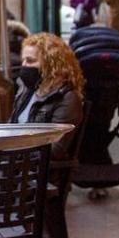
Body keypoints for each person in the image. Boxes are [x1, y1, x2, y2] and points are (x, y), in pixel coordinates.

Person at [12, 33, 84, 166]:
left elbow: (54, 150)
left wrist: (10, 150)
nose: (24, 65)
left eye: (30, 61)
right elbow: (11, 127)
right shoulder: (27, 88)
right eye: (23, 60)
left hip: (39, 174)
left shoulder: (67, 98)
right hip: (15, 163)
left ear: (50, 64)